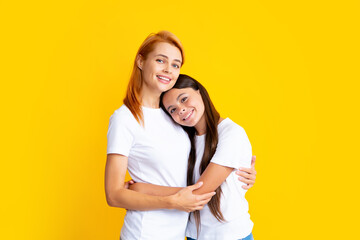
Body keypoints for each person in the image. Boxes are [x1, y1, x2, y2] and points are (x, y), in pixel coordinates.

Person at [105, 31, 256, 240]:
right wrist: (172, 200)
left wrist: (240, 173)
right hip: (145, 232)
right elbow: (113, 195)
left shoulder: (173, 118)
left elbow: (198, 166)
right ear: (140, 61)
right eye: (160, 60)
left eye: (176, 64)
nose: (168, 69)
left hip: (180, 233)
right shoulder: (125, 119)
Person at [130, 74, 255, 240]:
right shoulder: (183, 141)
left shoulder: (232, 133)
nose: (180, 109)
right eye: (172, 109)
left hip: (231, 235)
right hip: (192, 235)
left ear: (199, 92)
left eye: (184, 99)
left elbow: (199, 193)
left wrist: (143, 189)